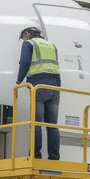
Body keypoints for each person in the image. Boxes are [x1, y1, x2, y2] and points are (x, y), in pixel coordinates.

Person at [17, 26, 62, 160]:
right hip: (54, 88)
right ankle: (54, 156)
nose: (23, 40)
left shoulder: (29, 43)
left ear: (27, 34)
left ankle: (36, 155)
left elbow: (25, 62)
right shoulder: (51, 45)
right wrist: (58, 86)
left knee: (36, 122)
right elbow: (56, 66)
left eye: (23, 37)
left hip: (38, 86)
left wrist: (19, 80)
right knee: (52, 125)